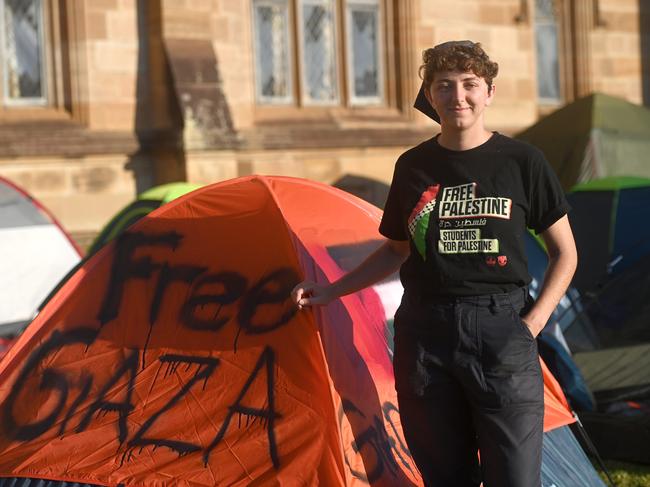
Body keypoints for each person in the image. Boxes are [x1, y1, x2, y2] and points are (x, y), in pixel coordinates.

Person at [292, 40, 577, 487]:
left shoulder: (523, 162)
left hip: (502, 329)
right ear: (429, 94)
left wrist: (533, 324)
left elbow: (566, 253)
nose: (458, 96)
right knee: (444, 476)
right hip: (425, 335)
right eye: (444, 86)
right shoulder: (413, 166)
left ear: (489, 92)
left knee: (516, 478)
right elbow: (395, 250)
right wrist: (330, 290)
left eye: (469, 85)